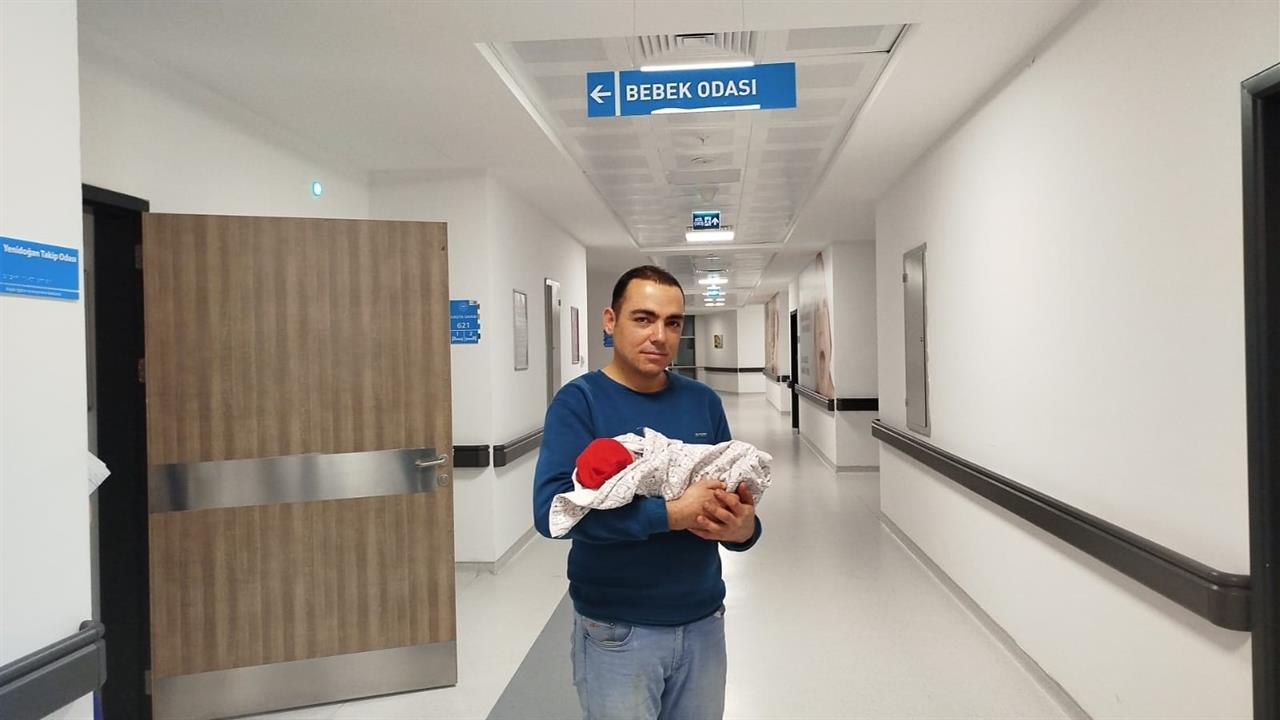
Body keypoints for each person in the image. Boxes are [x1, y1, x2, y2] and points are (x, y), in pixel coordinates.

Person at [533, 265, 763, 720]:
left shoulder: (703, 402)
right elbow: (550, 514)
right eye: (643, 318)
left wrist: (744, 530)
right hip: (617, 629)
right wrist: (671, 515)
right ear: (610, 320)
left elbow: (734, 498)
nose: (660, 335)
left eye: (672, 323)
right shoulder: (579, 402)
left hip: (702, 621)